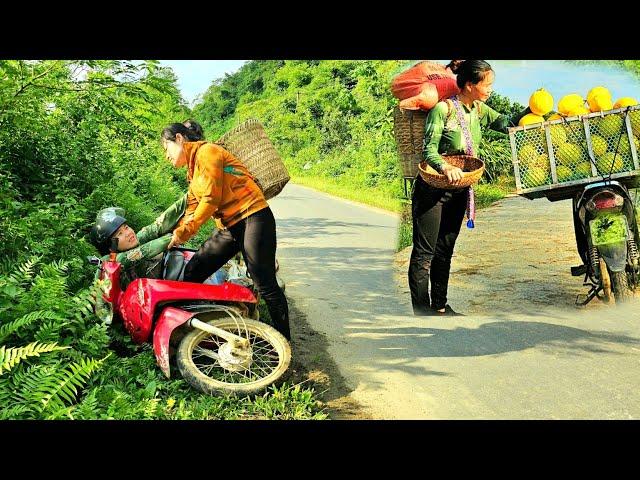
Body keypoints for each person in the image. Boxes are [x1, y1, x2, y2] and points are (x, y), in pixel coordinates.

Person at [408, 60, 529, 316]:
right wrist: (445, 167)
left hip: (460, 188)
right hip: (433, 188)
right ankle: (421, 312)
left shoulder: (479, 109)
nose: (491, 89)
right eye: (488, 84)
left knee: (445, 250)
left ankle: (439, 306)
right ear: (470, 85)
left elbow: (506, 123)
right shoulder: (443, 109)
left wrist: (534, 109)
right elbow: (428, 149)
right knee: (424, 253)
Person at [160, 120, 291, 340]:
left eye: (166, 148)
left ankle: (283, 343)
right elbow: (192, 206)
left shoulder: (208, 152)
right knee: (194, 270)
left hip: (253, 217)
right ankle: (197, 330)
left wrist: (185, 233)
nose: (166, 156)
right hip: (230, 226)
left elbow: (211, 199)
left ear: (179, 139)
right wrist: (174, 232)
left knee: (265, 283)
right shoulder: (192, 172)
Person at [90, 195, 188, 288]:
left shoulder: (132, 241)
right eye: (119, 234)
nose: (128, 233)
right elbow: (146, 250)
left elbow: (156, 227)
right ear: (111, 247)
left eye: (126, 227)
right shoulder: (113, 261)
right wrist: (175, 236)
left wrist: (189, 197)